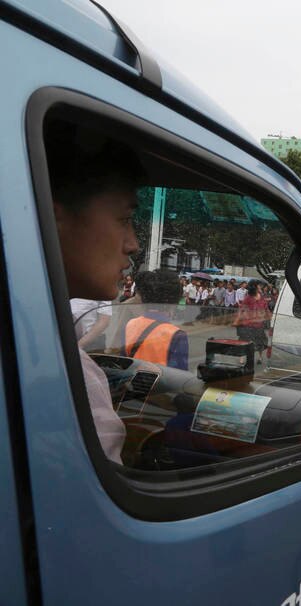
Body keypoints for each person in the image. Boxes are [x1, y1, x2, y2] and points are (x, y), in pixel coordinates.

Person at [47, 122, 146, 464]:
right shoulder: (71, 379)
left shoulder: (45, 342)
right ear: (53, 217)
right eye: (124, 219)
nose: (133, 244)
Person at [122, 269, 189, 371]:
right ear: (173, 302)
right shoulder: (176, 334)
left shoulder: (130, 324)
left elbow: (124, 361)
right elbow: (179, 376)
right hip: (160, 385)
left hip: (133, 383)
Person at [233, 280, 272, 364]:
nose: (260, 287)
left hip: (259, 324)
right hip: (248, 324)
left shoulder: (262, 297)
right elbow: (242, 309)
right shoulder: (248, 298)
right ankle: (241, 357)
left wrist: (270, 316)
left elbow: (266, 308)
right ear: (254, 287)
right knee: (244, 341)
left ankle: (260, 357)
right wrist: (236, 320)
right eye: (259, 285)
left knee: (260, 342)